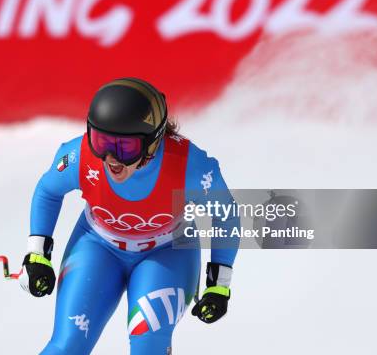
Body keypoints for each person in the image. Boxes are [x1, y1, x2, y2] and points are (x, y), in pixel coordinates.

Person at [18, 78, 240, 354]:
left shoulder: (190, 166)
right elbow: (48, 191)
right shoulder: (80, 155)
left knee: (147, 346)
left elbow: (225, 216)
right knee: (66, 347)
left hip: (167, 253)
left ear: (151, 144)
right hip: (97, 246)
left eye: (125, 148)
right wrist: (36, 254)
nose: (111, 158)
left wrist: (219, 285)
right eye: (101, 141)